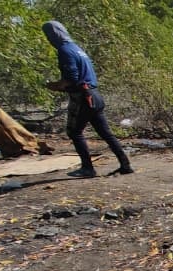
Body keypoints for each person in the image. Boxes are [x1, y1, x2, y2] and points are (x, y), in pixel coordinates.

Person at [42, 21, 132, 178]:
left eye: (48, 35)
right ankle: (125, 165)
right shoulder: (77, 49)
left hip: (83, 97)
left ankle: (87, 168)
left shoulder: (64, 50)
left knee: (74, 132)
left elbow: (71, 78)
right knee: (105, 133)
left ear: (54, 35)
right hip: (94, 95)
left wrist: (54, 86)